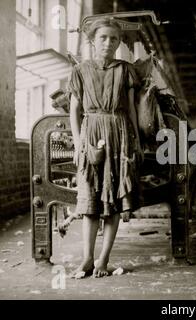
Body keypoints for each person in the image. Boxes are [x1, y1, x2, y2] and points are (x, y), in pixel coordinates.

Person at [69, 17, 142, 278]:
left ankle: (103, 259)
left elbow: (132, 108)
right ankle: (87, 259)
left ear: (119, 42)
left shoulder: (126, 70)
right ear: (92, 41)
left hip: (119, 133)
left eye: (113, 38)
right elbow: (75, 110)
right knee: (90, 200)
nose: (108, 43)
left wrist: (135, 141)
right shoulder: (80, 71)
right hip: (91, 132)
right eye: (103, 38)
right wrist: (78, 143)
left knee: (113, 200)